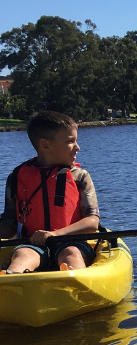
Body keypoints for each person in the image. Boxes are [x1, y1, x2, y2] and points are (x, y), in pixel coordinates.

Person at [0, 111, 100, 274]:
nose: (77, 147)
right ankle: (12, 280)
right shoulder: (17, 177)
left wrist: (54, 234)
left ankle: (72, 281)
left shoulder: (80, 176)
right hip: (32, 245)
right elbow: (9, 225)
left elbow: (92, 222)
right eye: (70, 141)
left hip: (72, 242)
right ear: (45, 145)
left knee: (70, 253)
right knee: (22, 254)